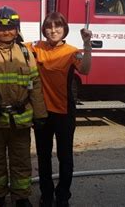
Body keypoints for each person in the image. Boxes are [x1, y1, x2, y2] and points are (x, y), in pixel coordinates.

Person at [0, 6, 48, 207]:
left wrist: (40, 114)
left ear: (17, 29)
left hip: (19, 119)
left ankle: (21, 197)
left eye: (10, 28)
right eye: (1, 28)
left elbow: (35, 84)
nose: (6, 32)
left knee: (21, 160)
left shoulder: (25, 52)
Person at [26, 12, 92, 207]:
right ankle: (46, 195)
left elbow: (86, 69)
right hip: (42, 113)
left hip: (64, 112)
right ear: (44, 29)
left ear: (64, 30)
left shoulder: (72, 52)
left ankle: (63, 196)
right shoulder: (35, 48)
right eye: (49, 27)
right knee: (43, 156)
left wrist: (87, 44)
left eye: (58, 27)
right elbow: (13, 43)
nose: (53, 30)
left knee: (65, 157)